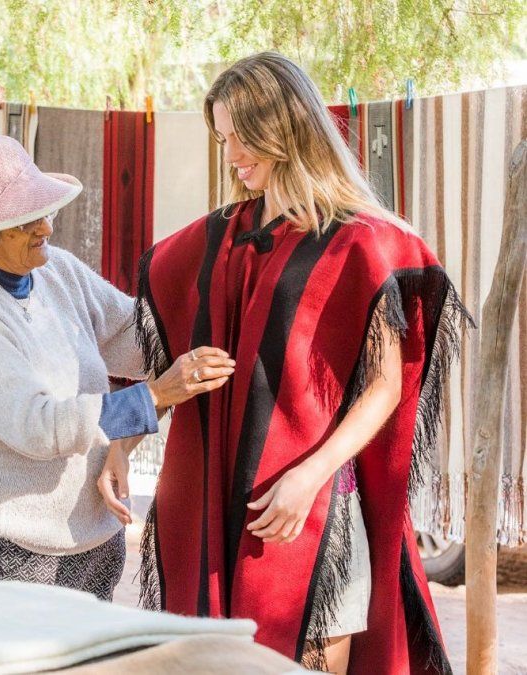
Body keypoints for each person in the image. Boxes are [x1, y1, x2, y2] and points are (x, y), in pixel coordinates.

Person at [127, 52, 467, 673]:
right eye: (223, 138)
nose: (230, 154)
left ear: (284, 127)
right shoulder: (221, 239)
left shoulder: (358, 240)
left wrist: (308, 478)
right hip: (222, 502)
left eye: (241, 137)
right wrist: (127, 431)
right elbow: (136, 313)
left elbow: (385, 388)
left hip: (313, 505)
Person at [0, 135, 234, 601]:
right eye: (26, 220)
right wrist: (156, 395)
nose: (46, 229)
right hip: (15, 549)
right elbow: (38, 427)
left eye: (45, 212)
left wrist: (212, 311)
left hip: (92, 534)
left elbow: (133, 336)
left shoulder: (56, 271)